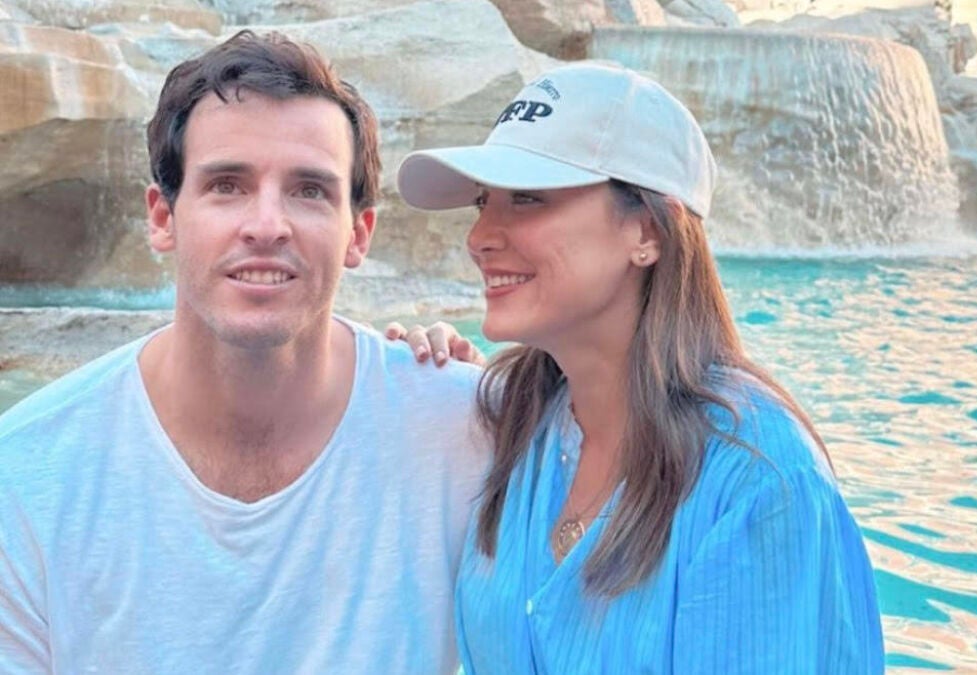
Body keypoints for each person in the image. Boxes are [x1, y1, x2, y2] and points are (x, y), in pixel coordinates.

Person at [0, 31, 486, 673]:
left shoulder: (463, 432)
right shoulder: (24, 472)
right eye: (227, 185)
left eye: (309, 190)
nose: (266, 226)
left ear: (359, 234)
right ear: (163, 218)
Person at [393, 63, 884, 673]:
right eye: (481, 202)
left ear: (648, 231)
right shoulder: (517, 422)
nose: (480, 236)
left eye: (527, 198)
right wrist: (417, 381)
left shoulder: (758, 480)